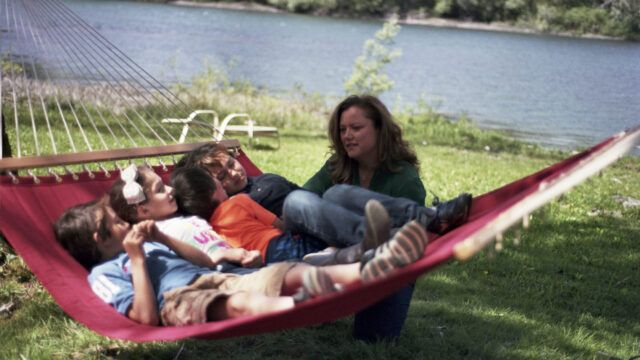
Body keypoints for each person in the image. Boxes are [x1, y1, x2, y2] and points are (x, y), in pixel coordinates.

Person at [53, 194, 430, 327]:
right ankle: (296, 305)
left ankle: (380, 262)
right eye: (117, 224)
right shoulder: (103, 273)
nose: (127, 224)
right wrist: (135, 259)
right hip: (179, 301)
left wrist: (162, 238)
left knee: (291, 271)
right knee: (240, 303)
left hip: (216, 275)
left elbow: (205, 260)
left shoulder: (149, 243)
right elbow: (145, 318)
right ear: (99, 241)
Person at [297, 94, 472, 342]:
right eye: (343, 129)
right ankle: (326, 300)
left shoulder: (404, 179)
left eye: (356, 128)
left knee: (373, 339)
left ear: (380, 130)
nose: (347, 135)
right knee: (327, 197)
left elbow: (406, 245)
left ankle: (428, 217)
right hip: (335, 255)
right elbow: (303, 199)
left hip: (384, 266)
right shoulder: (338, 166)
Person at [168, 166, 391, 265]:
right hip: (281, 243)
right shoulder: (240, 201)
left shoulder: (208, 227)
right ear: (211, 189)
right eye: (217, 178)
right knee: (317, 236)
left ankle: (330, 255)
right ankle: (362, 242)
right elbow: (279, 225)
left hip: (269, 262)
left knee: (312, 250)